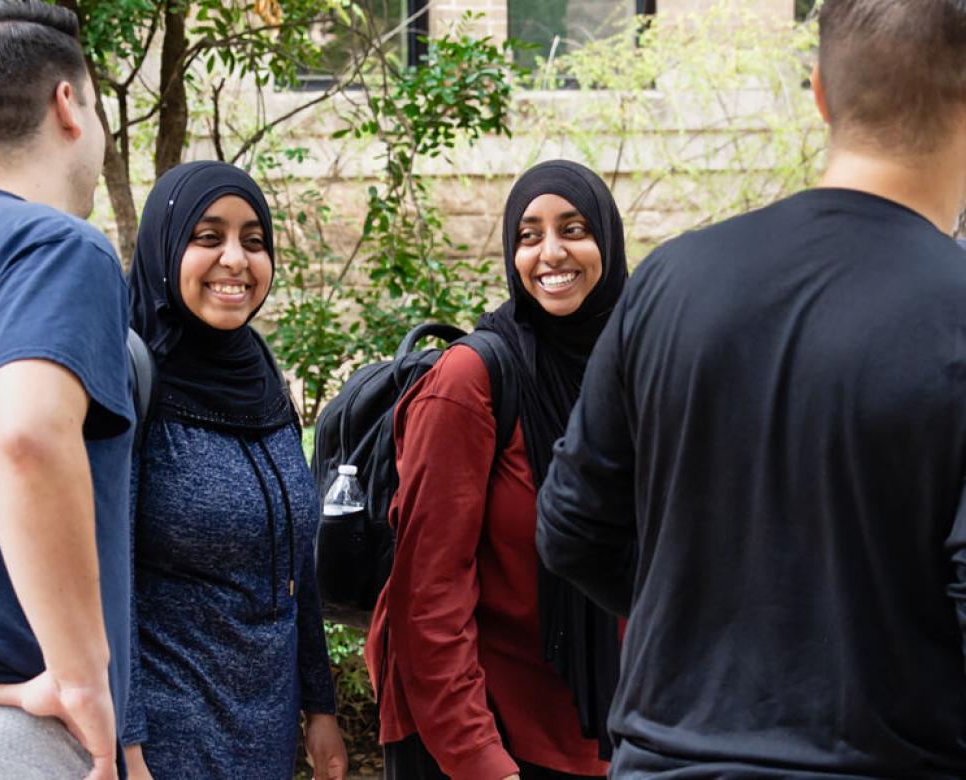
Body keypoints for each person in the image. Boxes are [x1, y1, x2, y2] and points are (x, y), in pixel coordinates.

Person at [537, 0, 966, 777]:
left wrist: (702, 618)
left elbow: (570, 526)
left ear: (821, 95)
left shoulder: (673, 279)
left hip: (665, 758)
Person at [366, 160, 626, 780]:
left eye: (575, 229)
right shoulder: (470, 381)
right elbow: (427, 590)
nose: (551, 252)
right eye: (529, 235)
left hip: (607, 740)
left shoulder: (634, 372)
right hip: (489, 736)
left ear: (610, 245)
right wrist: (477, 756)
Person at [0, 1, 133, 778]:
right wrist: (79, 676)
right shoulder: (51, 246)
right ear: (67, 104)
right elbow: (27, 435)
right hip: (1, 723)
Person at [122, 160, 347, 780]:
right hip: (168, 743)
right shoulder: (132, 378)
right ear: (167, 249)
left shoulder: (259, 373)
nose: (236, 260)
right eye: (207, 237)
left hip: (265, 735)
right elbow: (105, 576)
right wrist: (125, 744)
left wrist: (319, 706)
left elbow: (295, 559)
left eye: (254, 241)